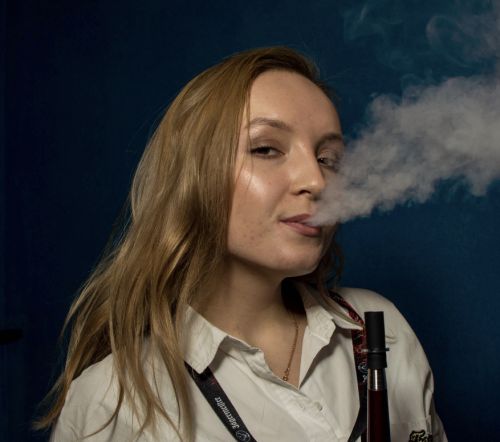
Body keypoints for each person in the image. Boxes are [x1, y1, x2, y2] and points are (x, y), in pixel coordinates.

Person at [37, 46, 447, 441]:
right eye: (266, 149)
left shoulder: (380, 326)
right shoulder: (112, 401)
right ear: (193, 177)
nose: (316, 181)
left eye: (328, 159)